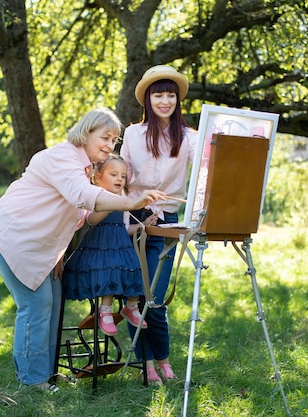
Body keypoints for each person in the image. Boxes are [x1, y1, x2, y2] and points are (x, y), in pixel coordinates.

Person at [0, 108, 165, 392]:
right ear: (85, 133)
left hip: (39, 247)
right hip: (13, 238)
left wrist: (57, 254)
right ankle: (32, 381)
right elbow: (83, 198)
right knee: (35, 306)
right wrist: (131, 203)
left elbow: (73, 219)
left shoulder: (84, 168)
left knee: (51, 303)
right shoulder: (62, 157)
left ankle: (47, 373)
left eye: (114, 140)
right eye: (104, 137)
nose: (109, 144)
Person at [120, 65, 198, 384]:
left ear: (177, 99)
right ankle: (145, 364)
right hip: (135, 219)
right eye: (158, 95)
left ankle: (163, 360)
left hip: (167, 220)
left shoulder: (189, 137)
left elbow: (208, 163)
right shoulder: (132, 134)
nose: (164, 101)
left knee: (156, 298)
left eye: (170, 95)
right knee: (135, 298)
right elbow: (122, 177)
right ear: (147, 100)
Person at [62, 154, 159, 336]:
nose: (119, 179)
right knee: (110, 270)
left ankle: (131, 307)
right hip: (99, 244)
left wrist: (142, 226)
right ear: (99, 177)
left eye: (123, 176)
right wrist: (111, 204)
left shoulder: (124, 197)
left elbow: (125, 227)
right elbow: (91, 219)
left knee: (135, 267)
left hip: (121, 244)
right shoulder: (95, 195)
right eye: (114, 174)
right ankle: (104, 311)